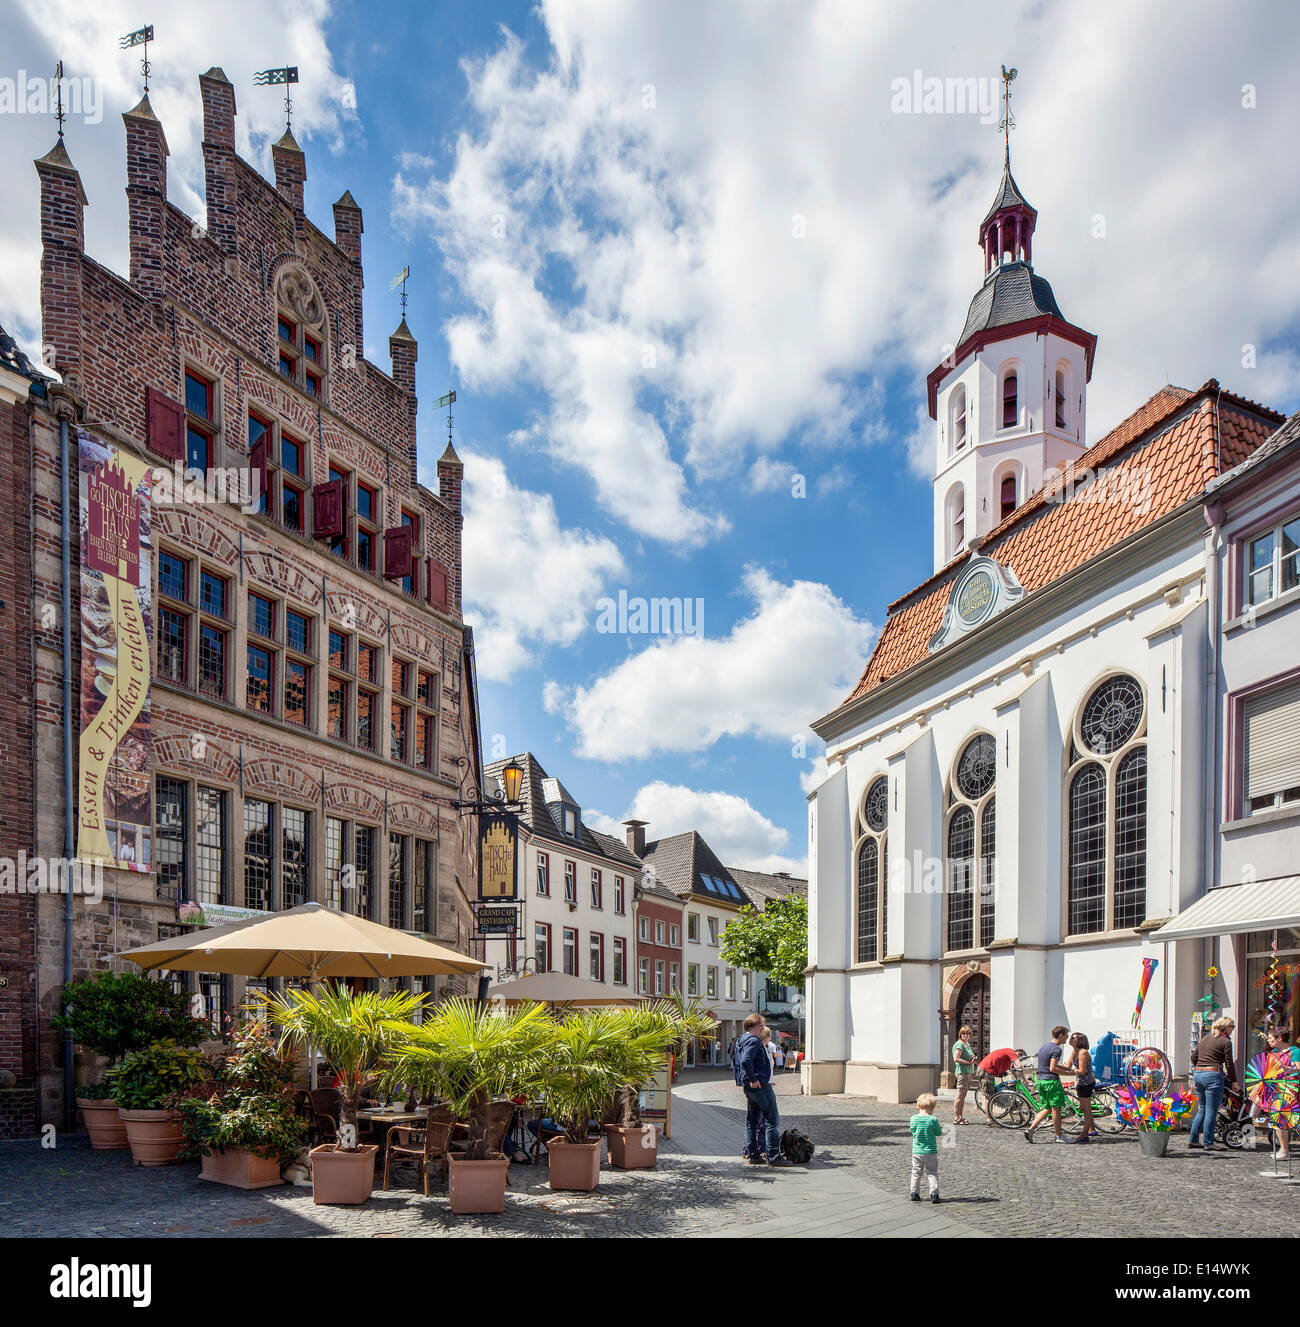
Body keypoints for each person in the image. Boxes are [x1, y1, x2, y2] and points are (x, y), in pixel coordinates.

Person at [733, 1014, 788, 1167]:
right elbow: (745, 1061)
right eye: (760, 1026)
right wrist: (754, 1078)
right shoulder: (753, 1041)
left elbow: (738, 1061)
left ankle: (753, 1155)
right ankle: (774, 1156)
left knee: (752, 1121)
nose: (762, 1029)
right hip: (760, 1086)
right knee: (772, 1120)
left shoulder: (741, 1040)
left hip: (749, 1086)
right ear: (752, 1027)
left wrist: (746, 1080)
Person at [1188, 1015, 1237, 1153]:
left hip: (1198, 1074)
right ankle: (1208, 1142)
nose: (1233, 1029)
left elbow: (1193, 1057)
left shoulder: (1205, 1039)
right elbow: (1229, 1064)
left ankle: (1193, 1139)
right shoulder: (1226, 1041)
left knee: (1202, 1109)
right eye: (1232, 1026)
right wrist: (1234, 1081)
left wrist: (1201, 1067)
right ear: (1226, 1027)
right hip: (1213, 1075)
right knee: (1211, 1110)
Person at [1024, 1026, 1071, 1143]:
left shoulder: (1044, 1047)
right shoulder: (1056, 1050)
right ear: (1061, 1035)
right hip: (1051, 1082)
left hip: (1041, 1081)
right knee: (1056, 1109)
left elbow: (1046, 1065)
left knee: (1047, 1108)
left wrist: (1064, 1067)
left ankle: (1030, 1129)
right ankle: (1059, 1136)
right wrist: (1068, 1072)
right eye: (1066, 1035)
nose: (1067, 1038)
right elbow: (1052, 1068)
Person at [1262, 1024, 1296, 1159]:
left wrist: (1286, 1069)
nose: (1268, 1041)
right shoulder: (1273, 1053)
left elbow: (1298, 1068)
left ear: (1280, 1038)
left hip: (1290, 1088)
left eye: (1270, 1038)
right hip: (1275, 1088)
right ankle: (1283, 1149)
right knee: (1279, 1118)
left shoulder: (1294, 1052)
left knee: (1283, 1118)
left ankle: (1284, 1150)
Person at [909, 1092, 942, 1203]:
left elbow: (912, 1130)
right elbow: (938, 1132)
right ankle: (934, 1194)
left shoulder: (913, 1119)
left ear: (918, 1106)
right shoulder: (933, 1120)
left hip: (917, 1151)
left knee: (916, 1172)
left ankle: (914, 1193)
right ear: (932, 1108)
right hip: (931, 1151)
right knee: (932, 1172)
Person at [1068, 1033, 1097, 1142]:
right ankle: (1092, 1128)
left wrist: (1067, 1072)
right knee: (1085, 1108)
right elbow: (1067, 1065)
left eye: (1072, 1038)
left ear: (1079, 1041)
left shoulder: (1083, 1053)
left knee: (1086, 1109)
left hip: (1086, 1083)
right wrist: (1053, 1068)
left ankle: (1084, 1135)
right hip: (1080, 1083)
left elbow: (1081, 1071)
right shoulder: (1074, 1051)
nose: (1070, 1039)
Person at [952, 1026, 975, 1124]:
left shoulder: (967, 1044)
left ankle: (960, 1116)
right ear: (960, 1034)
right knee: (960, 1095)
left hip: (968, 1072)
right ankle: (957, 1117)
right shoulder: (959, 1044)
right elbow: (956, 1058)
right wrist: (968, 1063)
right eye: (963, 1033)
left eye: (967, 1033)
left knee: (963, 1096)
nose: (965, 1035)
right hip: (962, 1072)